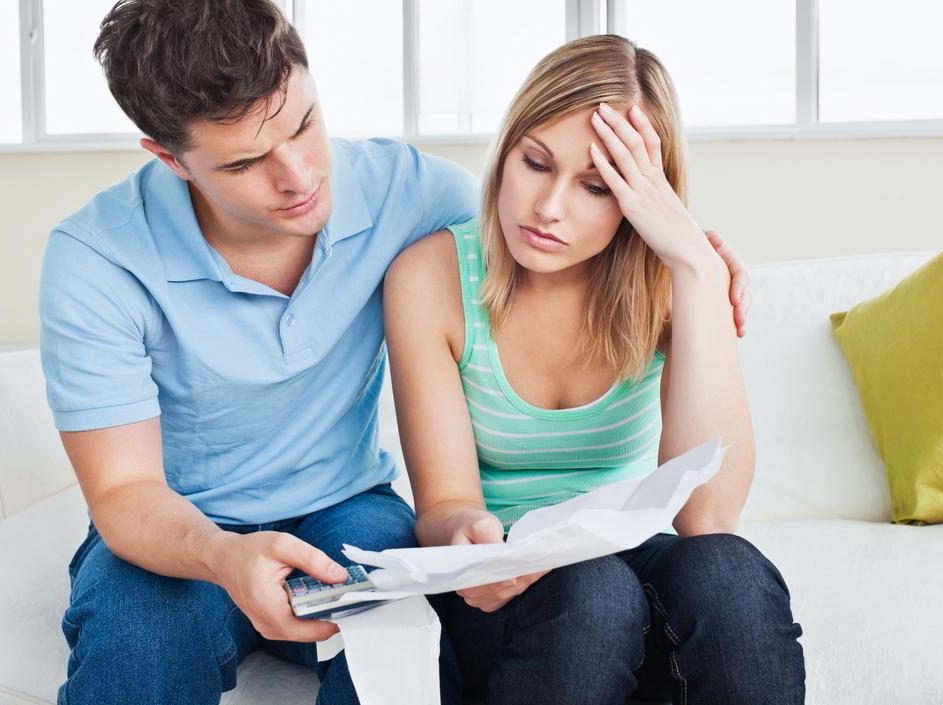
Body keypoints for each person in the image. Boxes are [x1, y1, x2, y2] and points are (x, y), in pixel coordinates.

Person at [40, 2, 751, 702]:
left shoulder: (413, 194)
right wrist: (223, 557)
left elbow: (549, 236)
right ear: (170, 159)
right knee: (137, 647)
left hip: (348, 509)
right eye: (247, 162)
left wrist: (699, 261)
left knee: (406, 655)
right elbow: (123, 493)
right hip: (183, 526)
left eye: (304, 125)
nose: (298, 177)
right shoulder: (96, 258)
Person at [383, 34, 805, 705]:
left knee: (727, 572)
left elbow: (708, 514)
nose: (549, 208)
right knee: (592, 589)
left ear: (643, 198)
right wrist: (468, 534)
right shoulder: (430, 277)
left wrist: (695, 267)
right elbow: (443, 505)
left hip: (632, 563)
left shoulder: (673, 281)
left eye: (596, 186)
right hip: (508, 588)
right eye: (535, 162)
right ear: (507, 148)